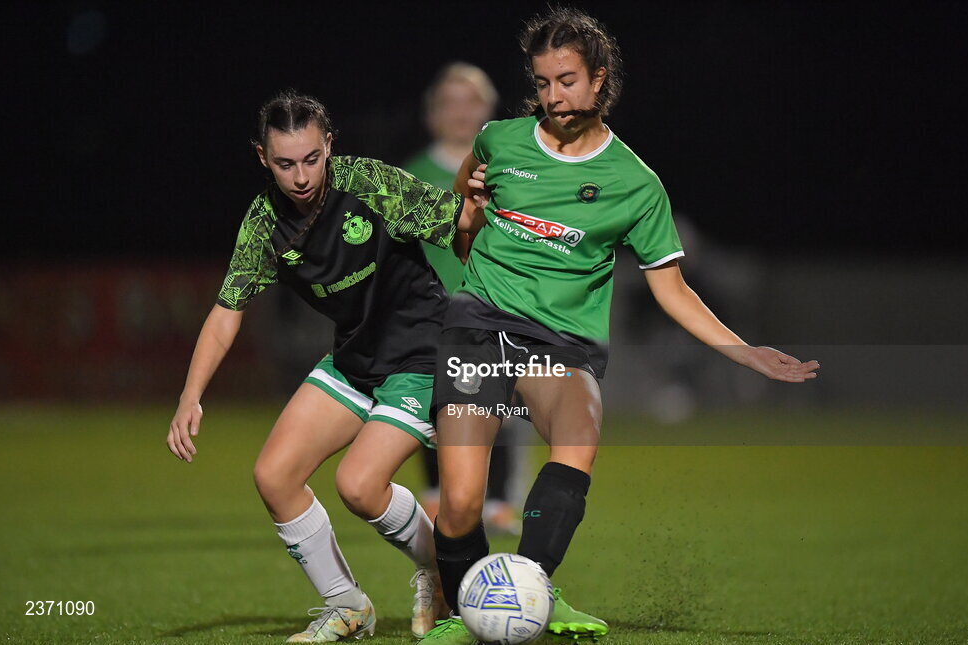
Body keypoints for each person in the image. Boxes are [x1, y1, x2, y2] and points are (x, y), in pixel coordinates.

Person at [420, 8, 819, 643]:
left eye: (569, 80)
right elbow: (465, 231)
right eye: (544, 82)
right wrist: (468, 213)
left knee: (579, 430)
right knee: (463, 502)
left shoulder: (635, 184)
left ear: (601, 80)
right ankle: (464, 609)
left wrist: (744, 353)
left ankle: (531, 588)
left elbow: (671, 287)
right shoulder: (500, 140)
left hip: (558, 341)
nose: (555, 97)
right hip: (477, 325)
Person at [166, 90, 485, 643]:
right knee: (274, 476)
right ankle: (347, 605)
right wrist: (190, 396)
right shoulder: (265, 222)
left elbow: (458, 221)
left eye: (312, 159)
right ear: (263, 159)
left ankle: (440, 570)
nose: (301, 176)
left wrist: (476, 216)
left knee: (359, 486)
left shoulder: (368, 184)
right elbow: (226, 311)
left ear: (329, 146)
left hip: (423, 353)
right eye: (285, 163)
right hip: (355, 358)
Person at [403, 62, 522, 535]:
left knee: (504, 406)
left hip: (500, 307)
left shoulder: (516, 173)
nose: (460, 112)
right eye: (449, 102)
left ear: (490, 111)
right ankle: (436, 494)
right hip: (432, 315)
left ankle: (498, 500)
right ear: (432, 114)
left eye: (471, 101)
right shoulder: (410, 176)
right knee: (435, 406)